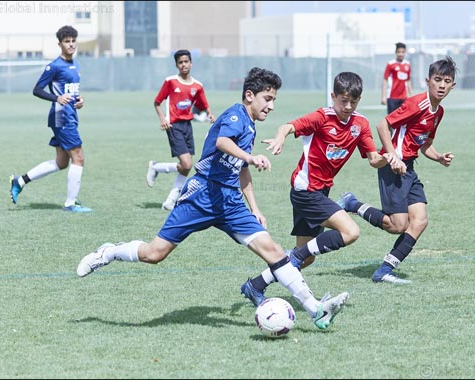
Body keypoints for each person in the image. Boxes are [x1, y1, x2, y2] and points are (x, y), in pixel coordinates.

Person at [77, 67, 349, 330]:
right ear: (249, 95)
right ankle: (110, 251)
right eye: (268, 99)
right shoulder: (235, 116)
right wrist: (251, 156)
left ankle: (315, 309)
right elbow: (222, 143)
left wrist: (254, 207)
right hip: (202, 195)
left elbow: (241, 170)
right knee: (154, 254)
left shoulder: (250, 125)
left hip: (230, 202)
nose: (272, 106)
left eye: (274, 100)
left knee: (274, 252)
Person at [240, 72, 404, 307]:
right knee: (350, 232)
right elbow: (287, 126)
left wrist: (388, 158)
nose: (348, 106)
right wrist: (280, 138)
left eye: (353, 102)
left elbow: (373, 158)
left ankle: (255, 285)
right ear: (333, 96)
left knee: (305, 259)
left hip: (320, 192)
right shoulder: (321, 117)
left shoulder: (360, 124)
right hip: (305, 191)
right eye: (343, 100)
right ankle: (293, 259)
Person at [338, 56, 458, 284]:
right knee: (398, 225)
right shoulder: (416, 104)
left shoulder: (438, 112)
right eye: (438, 79)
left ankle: (383, 270)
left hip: (408, 168)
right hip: (392, 168)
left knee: (420, 221)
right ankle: (352, 203)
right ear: (428, 80)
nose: (442, 85)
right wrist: (392, 154)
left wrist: (439, 157)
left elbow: (426, 145)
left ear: (453, 85)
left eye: (447, 81)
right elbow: (383, 124)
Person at [9, 25, 91, 212]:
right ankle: (70, 203)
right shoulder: (54, 66)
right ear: (59, 44)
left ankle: (20, 181)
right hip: (61, 117)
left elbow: (70, 91)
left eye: (73, 41)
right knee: (78, 158)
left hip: (70, 115)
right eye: (66, 41)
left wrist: (80, 100)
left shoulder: (76, 64)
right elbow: (37, 89)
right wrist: (57, 98)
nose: (71, 45)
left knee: (62, 162)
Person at [147, 49, 216, 211]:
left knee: (186, 167)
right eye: (180, 62)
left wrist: (210, 114)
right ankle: (156, 167)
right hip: (173, 125)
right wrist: (162, 118)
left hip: (187, 126)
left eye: (186, 61)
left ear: (191, 63)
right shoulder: (171, 82)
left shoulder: (197, 86)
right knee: (186, 163)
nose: (183, 65)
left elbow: (203, 104)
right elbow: (157, 102)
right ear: (176, 65)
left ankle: (169, 201)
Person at [381, 42, 412, 114]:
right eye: (399, 52)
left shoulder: (407, 64)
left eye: (403, 52)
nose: (401, 54)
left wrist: (411, 95)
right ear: (395, 52)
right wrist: (383, 96)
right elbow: (385, 80)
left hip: (404, 97)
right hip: (392, 97)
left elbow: (408, 80)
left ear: (405, 52)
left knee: (403, 120)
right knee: (392, 120)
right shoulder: (390, 64)